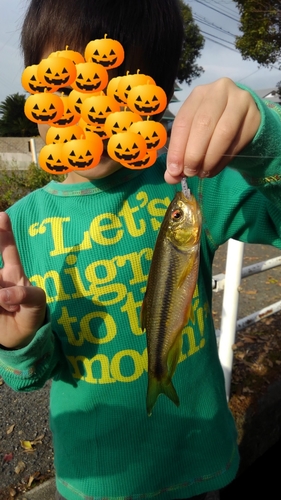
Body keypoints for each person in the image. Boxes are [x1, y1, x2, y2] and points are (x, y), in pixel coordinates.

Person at [0, 1, 281, 499]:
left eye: (118, 93)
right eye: (65, 85)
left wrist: (267, 140)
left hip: (201, 464)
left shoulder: (192, 185)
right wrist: (19, 341)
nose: (91, 113)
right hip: (93, 481)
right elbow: (28, 378)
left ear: (157, 97)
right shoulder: (21, 225)